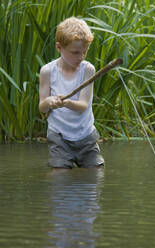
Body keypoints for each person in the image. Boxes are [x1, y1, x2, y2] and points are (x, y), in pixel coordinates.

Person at [39, 17, 104, 169]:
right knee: (59, 176)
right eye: (75, 52)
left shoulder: (88, 69)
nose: (80, 57)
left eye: (84, 52)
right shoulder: (48, 71)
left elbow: (82, 105)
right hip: (59, 136)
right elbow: (42, 107)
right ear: (59, 47)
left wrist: (65, 102)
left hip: (86, 136)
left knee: (95, 174)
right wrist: (49, 102)